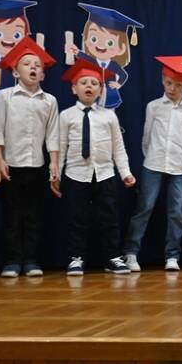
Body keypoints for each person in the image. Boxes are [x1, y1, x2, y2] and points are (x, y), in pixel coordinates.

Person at [53, 58, 136, 275]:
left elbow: (118, 147)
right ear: (74, 88)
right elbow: (60, 147)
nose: (88, 86)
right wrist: (56, 174)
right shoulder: (66, 116)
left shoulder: (109, 116)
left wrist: (125, 173)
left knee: (109, 217)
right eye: (83, 83)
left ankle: (112, 257)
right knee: (77, 218)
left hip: (104, 174)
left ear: (100, 90)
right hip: (76, 174)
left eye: (94, 83)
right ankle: (76, 257)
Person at [123, 56, 182, 273]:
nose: (172, 88)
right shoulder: (154, 107)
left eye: (178, 85)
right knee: (144, 207)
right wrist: (152, 156)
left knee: (176, 212)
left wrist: (175, 155)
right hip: (153, 163)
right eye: (169, 83)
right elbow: (146, 136)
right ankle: (131, 252)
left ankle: (172, 255)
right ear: (162, 80)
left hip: (178, 166)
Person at [0, 38, 60, 277]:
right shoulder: (5, 96)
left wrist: (54, 163)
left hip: (36, 165)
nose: (33, 68)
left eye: (37, 65)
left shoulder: (49, 100)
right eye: (27, 64)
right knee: (12, 215)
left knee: (33, 215)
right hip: (10, 164)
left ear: (42, 74)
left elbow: (53, 134)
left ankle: (30, 260)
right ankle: (12, 260)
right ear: (15, 71)